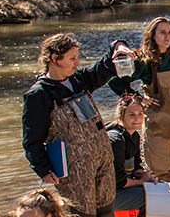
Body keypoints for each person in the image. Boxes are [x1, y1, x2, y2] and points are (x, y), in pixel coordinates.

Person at [22, 33, 133, 217]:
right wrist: (43, 170)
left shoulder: (79, 80)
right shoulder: (38, 95)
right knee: (81, 213)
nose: (77, 62)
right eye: (72, 58)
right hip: (75, 171)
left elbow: (104, 67)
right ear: (54, 59)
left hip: (103, 160)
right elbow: (31, 140)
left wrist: (118, 46)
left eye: (77, 57)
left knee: (107, 210)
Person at [106, 17, 170, 212]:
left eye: (169, 32)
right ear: (152, 35)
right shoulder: (143, 61)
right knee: (164, 169)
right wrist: (136, 98)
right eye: (162, 32)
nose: (166, 36)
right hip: (159, 124)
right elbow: (114, 79)